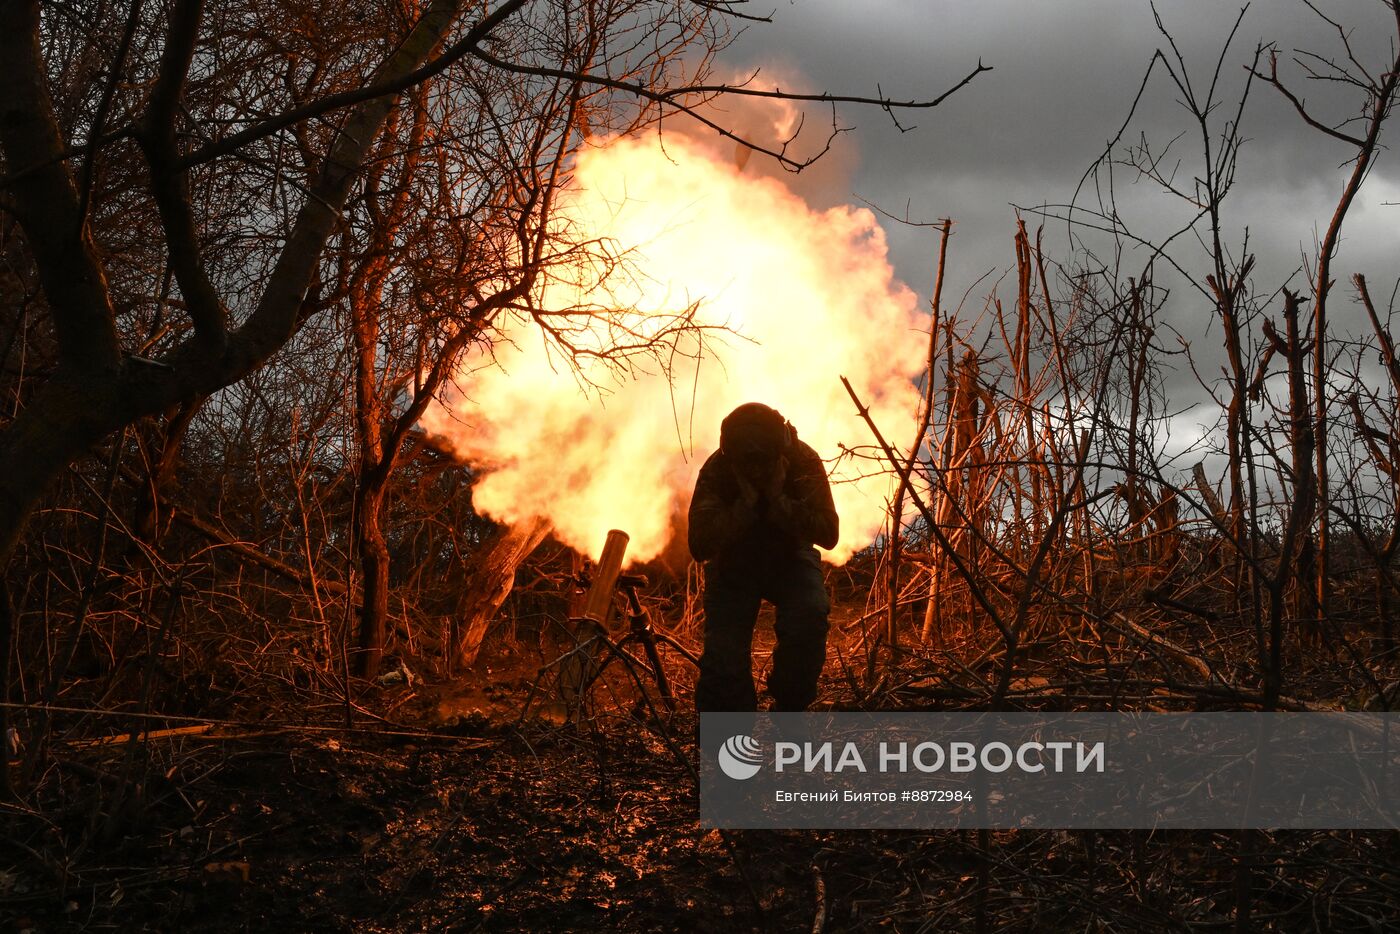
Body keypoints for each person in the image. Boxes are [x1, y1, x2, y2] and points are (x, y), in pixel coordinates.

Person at [688, 402, 839, 712]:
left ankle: (790, 709)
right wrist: (743, 507)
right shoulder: (717, 469)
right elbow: (699, 545)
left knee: (808, 619)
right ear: (732, 455)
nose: (756, 470)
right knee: (724, 659)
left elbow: (828, 533)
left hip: (791, 558)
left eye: (763, 461)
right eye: (748, 462)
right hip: (734, 563)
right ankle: (730, 746)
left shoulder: (802, 461)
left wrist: (778, 500)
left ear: (779, 451)